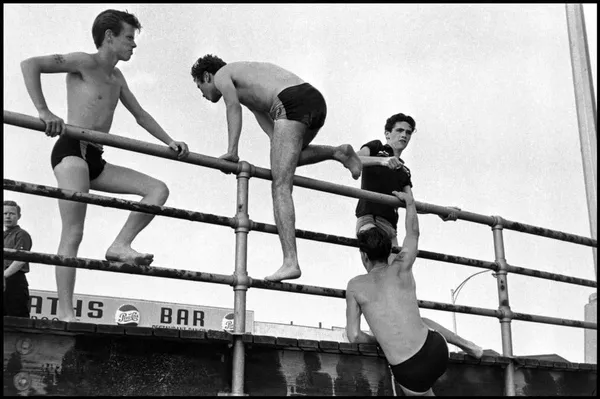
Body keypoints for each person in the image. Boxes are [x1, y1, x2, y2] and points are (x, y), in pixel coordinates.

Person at [20, 9, 190, 322]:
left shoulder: (118, 77)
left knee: (157, 190)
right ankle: (66, 312)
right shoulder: (84, 62)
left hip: (95, 156)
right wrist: (44, 112)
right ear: (109, 37)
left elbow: (140, 115)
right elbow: (30, 64)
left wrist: (170, 141)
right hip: (71, 150)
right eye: (129, 38)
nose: (133, 46)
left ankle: (120, 245)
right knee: (74, 232)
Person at [190, 55, 362, 282]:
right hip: (313, 100)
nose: (202, 94)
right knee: (288, 160)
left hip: (290, 101)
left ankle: (291, 261)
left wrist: (232, 151)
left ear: (206, 76)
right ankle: (338, 152)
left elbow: (232, 107)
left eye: (199, 86)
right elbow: (275, 138)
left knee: (280, 186)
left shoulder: (223, 75)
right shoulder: (251, 89)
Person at [345, 191, 482, 396]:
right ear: (389, 250)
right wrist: (410, 202)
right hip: (437, 352)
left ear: (364, 255)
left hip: (409, 371)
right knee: (422, 320)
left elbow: (354, 336)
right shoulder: (402, 266)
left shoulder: (355, 286)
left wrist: (381, 340)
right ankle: (469, 346)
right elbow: (413, 233)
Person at [356, 112, 461, 263]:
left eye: (408, 132)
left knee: (393, 278)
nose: (404, 135)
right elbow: (353, 159)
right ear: (387, 134)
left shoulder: (404, 171)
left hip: (390, 229)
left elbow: (411, 202)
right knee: (377, 270)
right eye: (399, 130)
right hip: (369, 221)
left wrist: (441, 211)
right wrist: (382, 161)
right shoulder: (376, 147)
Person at [4, 200, 33, 318]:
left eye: (12, 213)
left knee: (17, 318)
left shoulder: (22, 234)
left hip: (14, 279)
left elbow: (21, 259)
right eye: (5, 213)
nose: (8, 216)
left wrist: (4, 275)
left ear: (19, 216)